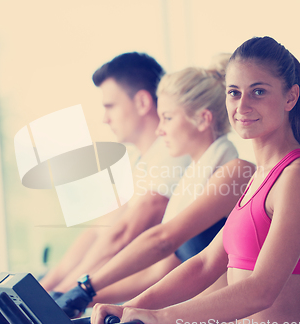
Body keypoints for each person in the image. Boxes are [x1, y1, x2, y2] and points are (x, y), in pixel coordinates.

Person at [91, 36, 300, 324]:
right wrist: (135, 307)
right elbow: (205, 264)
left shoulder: (298, 176)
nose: (242, 105)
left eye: (258, 92)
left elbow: (262, 289)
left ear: (290, 98)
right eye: (234, 93)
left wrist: (162, 318)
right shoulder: (259, 177)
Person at [55, 54, 255, 319]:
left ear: (203, 119)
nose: (160, 130)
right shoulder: (190, 181)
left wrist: (85, 287)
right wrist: (78, 298)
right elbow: (160, 272)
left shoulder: (234, 172)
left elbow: (163, 239)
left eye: (168, 118)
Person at [40, 53, 190, 296]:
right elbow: (101, 230)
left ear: (142, 102)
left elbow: (122, 234)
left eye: (110, 106)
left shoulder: (174, 156)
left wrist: (67, 294)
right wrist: (46, 288)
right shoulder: (138, 161)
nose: (105, 118)